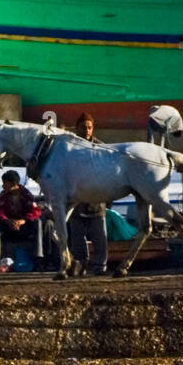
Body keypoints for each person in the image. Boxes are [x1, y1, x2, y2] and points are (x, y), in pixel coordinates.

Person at [68, 112, 108, 276]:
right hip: (76, 203)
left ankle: (100, 267)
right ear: (77, 128)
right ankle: (81, 266)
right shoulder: (69, 147)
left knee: (100, 239)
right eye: (83, 127)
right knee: (77, 241)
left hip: (96, 202)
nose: (86, 130)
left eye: (89, 127)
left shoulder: (101, 148)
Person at [0, 170, 43, 271]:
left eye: (5, 183)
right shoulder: (3, 195)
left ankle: (38, 259)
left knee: (38, 223)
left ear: (13, 184)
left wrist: (23, 221)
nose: (3, 186)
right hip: (8, 228)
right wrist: (7, 221)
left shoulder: (26, 195)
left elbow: (35, 211)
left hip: (23, 228)